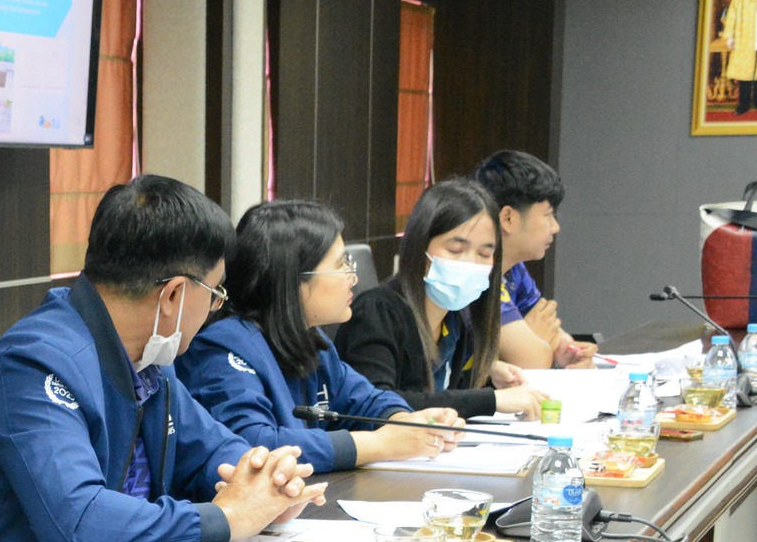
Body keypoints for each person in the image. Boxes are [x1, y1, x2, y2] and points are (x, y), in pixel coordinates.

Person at [0, 175, 324, 542]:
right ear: (173, 295)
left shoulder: (148, 358)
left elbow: (211, 449)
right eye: (215, 294)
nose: (215, 308)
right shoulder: (35, 364)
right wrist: (230, 517)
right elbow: (80, 521)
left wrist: (264, 481)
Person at [178, 200, 461, 472]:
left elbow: (366, 400)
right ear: (293, 280)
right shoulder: (221, 349)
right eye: (341, 265)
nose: (353, 277)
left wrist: (407, 423)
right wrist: (379, 444)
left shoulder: (311, 339)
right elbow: (253, 445)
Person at [333, 179, 545, 421]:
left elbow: (443, 394)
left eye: (485, 253)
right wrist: (491, 400)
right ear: (420, 245)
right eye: (455, 250)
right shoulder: (377, 311)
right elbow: (377, 404)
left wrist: (490, 379)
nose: (471, 263)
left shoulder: (454, 317)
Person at [470, 150, 594, 369]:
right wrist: (539, 346)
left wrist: (567, 355)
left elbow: (555, 338)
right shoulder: (476, 277)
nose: (555, 227)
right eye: (548, 215)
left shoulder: (513, 269)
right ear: (508, 218)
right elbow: (533, 363)